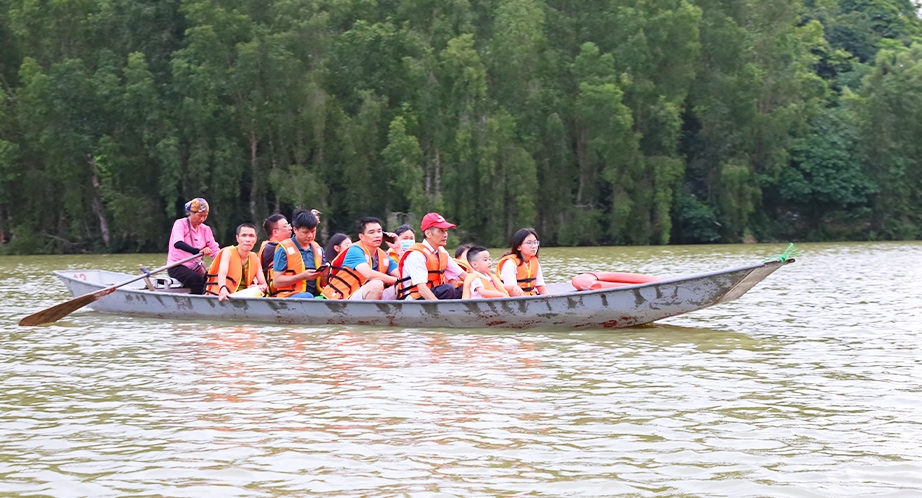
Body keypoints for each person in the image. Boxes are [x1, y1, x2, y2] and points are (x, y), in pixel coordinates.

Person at [321, 217, 399, 300]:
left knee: (402, 286)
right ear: (361, 237)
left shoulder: (383, 255)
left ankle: (386, 313)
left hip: (364, 296)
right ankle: (369, 313)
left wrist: (398, 249)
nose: (377, 235)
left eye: (379, 231)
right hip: (344, 297)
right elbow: (369, 274)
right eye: (371, 232)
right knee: (377, 284)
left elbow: (403, 275)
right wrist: (397, 280)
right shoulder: (355, 250)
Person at [396, 212, 466, 300]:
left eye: (446, 231)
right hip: (414, 299)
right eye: (440, 231)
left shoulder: (442, 252)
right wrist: (440, 308)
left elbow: (463, 275)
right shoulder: (417, 255)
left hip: (433, 294)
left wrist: (481, 285)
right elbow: (422, 289)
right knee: (448, 289)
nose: (445, 235)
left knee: (466, 287)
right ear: (428, 233)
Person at [167, 197, 220, 294]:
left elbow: (215, 250)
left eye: (205, 216)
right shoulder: (180, 224)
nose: (202, 219)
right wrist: (198, 251)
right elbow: (178, 243)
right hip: (177, 265)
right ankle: (197, 304)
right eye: (200, 216)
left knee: (214, 276)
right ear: (191, 213)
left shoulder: (205, 229)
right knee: (196, 279)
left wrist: (225, 260)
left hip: (196, 266)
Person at [204, 223, 268, 301]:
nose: (247, 239)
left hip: (244, 298)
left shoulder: (255, 258)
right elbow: (222, 273)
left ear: (256, 239)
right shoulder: (228, 252)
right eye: (244, 235)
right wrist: (223, 289)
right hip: (223, 297)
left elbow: (264, 284)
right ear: (237, 238)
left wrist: (258, 287)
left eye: (251, 236)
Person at [272, 209, 326, 298]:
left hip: (315, 295)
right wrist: (302, 276)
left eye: (313, 231)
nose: (310, 236)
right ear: (295, 229)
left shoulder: (319, 249)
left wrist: (326, 274)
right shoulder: (283, 249)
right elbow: (276, 282)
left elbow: (323, 282)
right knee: (307, 296)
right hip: (290, 295)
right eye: (305, 232)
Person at [496, 228, 550, 296]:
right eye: (529, 243)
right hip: (516, 300)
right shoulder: (510, 264)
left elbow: (542, 288)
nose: (534, 246)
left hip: (531, 297)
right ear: (519, 247)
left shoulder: (534, 262)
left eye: (535, 242)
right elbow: (513, 292)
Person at [257, 214, 292, 293]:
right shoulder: (272, 248)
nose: (290, 228)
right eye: (285, 226)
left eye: (289, 225)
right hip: (276, 293)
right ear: (275, 232)